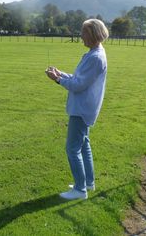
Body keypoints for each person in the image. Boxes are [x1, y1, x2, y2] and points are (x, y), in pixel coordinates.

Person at [45, 19, 109, 200]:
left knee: (72, 148)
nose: (81, 36)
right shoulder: (94, 54)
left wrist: (57, 80)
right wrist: (61, 74)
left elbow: (79, 85)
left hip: (82, 108)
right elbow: (78, 78)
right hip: (84, 107)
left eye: (84, 32)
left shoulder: (96, 57)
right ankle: (88, 182)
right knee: (84, 145)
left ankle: (80, 190)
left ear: (93, 34)